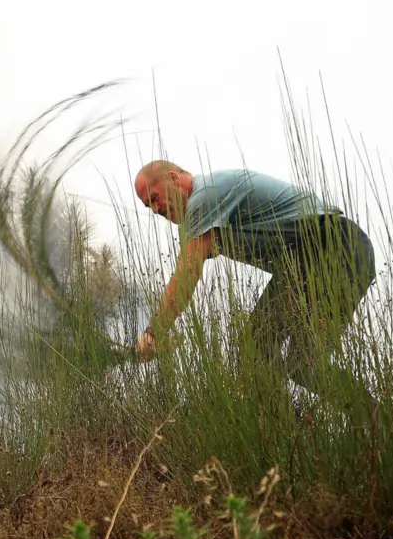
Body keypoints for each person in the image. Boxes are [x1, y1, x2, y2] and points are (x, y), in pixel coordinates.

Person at [132, 159, 377, 409]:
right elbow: (187, 269)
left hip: (337, 249)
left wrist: (153, 332)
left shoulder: (204, 197)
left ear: (174, 179)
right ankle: (280, 431)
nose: (154, 210)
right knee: (255, 349)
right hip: (301, 264)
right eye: (147, 206)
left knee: (304, 361)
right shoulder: (196, 221)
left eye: (154, 198)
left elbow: (186, 274)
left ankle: (379, 421)